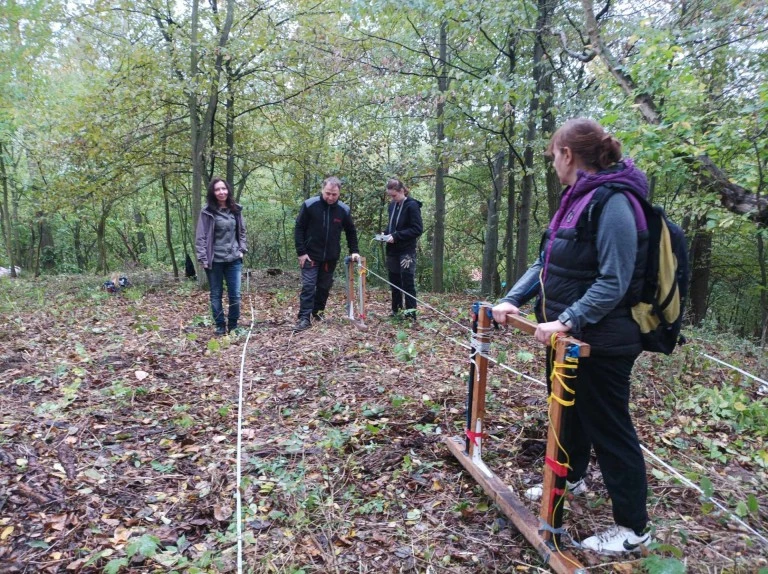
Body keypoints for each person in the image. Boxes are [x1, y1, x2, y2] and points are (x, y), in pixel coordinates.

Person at [491, 118, 652, 555]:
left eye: (553, 155)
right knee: (568, 414)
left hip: (604, 341)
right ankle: (571, 478)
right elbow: (546, 260)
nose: (552, 162)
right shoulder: (575, 199)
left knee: (609, 427)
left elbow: (614, 280)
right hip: (566, 338)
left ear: (567, 154)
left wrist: (567, 319)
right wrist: (513, 300)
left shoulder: (615, 201)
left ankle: (633, 528)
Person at [293, 176, 360, 332]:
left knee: (324, 287)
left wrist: (354, 251)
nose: (330, 197)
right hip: (310, 255)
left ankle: (318, 313)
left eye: (334, 194)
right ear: (322, 190)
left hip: (330, 256)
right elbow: (299, 228)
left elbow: (351, 232)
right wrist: (301, 252)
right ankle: (304, 318)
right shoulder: (310, 205)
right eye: (328, 193)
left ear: (339, 193)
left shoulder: (343, 210)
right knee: (309, 286)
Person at [195, 177, 247, 336]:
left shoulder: (236, 210)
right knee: (216, 294)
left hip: (233, 260)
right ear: (213, 192)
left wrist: (242, 250)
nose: (221, 192)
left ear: (228, 190)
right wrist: (203, 258)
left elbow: (243, 232)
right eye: (217, 189)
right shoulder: (207, 212)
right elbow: (201, 237)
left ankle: (233, 326)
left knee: (235, 295)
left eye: (223, 189)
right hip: (214, 260)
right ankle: (219, 326)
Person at [380, 178, 423, 318]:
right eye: (390, 196)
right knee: (394, 281)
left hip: (406, 251)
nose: (392, 199)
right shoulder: (392, 206)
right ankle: (396, 310)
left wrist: (397, 236)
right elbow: (393, 225)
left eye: (394, 195)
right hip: (392, 250)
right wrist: (385, 234)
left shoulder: (412, 206)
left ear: (402, 191)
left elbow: (417, 229)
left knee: (407, 281)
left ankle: (411, 314)